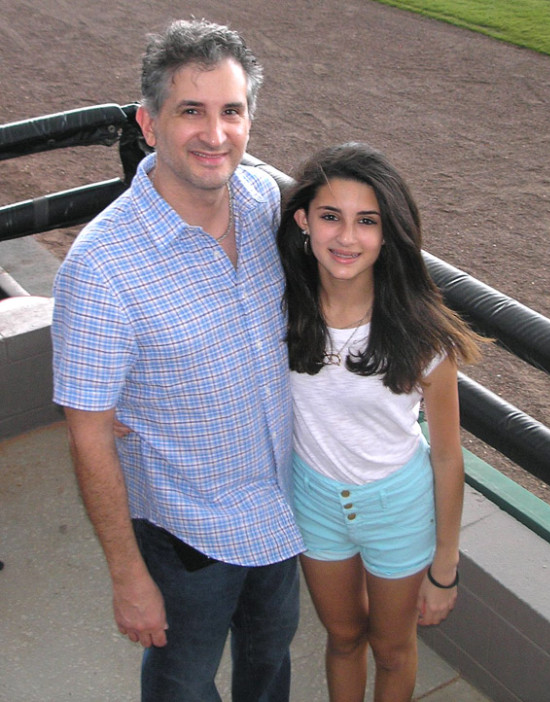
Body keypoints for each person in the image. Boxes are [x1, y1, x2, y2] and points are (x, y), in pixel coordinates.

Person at [51, 18, 304, 702]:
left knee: (270, 659)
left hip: (281, 511)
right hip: (187, 538)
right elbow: (89, 434)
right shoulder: (100, 269)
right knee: (182, 683)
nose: (215, 135)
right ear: (150, 123)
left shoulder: (260, 202)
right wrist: (129, 577)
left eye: (231, 111)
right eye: (191, 111)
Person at [276, 142, 483, 702]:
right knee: (344, 638)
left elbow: (446, 455)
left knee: (392, 649)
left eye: (366, 221)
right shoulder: (278, 308)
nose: (346, 237)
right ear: (303, 221)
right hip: (314, 501)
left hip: (398, 508)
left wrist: (446, 564)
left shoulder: (424, 338)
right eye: (330, 217)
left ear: (388, 232)